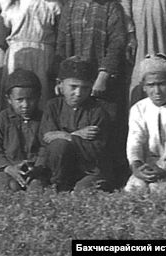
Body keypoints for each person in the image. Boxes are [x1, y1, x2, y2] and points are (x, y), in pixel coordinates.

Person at [56, 0, 128, 108]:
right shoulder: (69, 8)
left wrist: (103, 76)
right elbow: (61, 46)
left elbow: (117, 44)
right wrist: (61, 79)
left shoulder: (111, 8)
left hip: (101, 80)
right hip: (74, 82)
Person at [39, 56, 115, 192]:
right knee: (58, 146)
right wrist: (75, 136)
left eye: (85, 88)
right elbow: (47, 139)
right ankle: (59, 184)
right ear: (60, 84)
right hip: (60, 169)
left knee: (82, 190)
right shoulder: (53, 106)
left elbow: (96, 150)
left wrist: (66, 136)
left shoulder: (97, 111)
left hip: (90, 169)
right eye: (73, 87)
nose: (79, 93)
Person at [0, 0, 61, 105]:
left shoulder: (53, 6)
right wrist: (1, 70)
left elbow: (60, 39)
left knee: (41, 98)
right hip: (15, 58)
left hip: (44, 59)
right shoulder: (11, 6)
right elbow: (2, 42)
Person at [124, 55, 166, 194]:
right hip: (146, 168)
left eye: (162, 84)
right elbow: (135, 141)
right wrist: (137, 167)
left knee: (160, 191)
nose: (157, 91)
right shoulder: (139, 109)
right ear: (143, 87)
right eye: (150, 85)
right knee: (134, 190)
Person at [0, 69, 49, 191]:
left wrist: (37, 167)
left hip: (35, 169)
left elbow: (45, 147)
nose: (25, 105)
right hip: (9, 168)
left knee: (36, 187)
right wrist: (9, 168)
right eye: (19, 100)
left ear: (39, 97)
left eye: (31, 99)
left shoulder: (44, 119)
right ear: (9, 99)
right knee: (12, 186)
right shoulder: (3, 119)